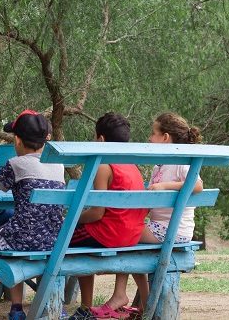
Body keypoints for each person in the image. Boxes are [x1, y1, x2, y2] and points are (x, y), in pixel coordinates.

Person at [96, 112, 205, 319]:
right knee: (131, 241)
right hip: (160, 227)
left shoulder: (182, 161)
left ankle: (121, 296)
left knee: (124, 234)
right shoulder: (159, 165)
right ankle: (145, 303)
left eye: (153, 133)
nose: (149, 137)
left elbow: (198, 185)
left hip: (173, 230)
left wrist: (164, 186)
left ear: (165, 137)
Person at [0, 110, 66, 320]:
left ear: (17, 140)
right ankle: (16, 309)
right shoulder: (58, 165)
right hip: (52, 239)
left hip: (21, 238)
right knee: (12, 228)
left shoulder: (15, 164)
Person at [68, 112, 149, 320]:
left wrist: (73, 218)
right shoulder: (132, 166)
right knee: (75, 235)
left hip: (110, 235)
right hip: (131, 235)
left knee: (65, 235)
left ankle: (85, 307)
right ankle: (85, 306)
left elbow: (96, 213)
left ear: (101, 139)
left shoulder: (104, 165)